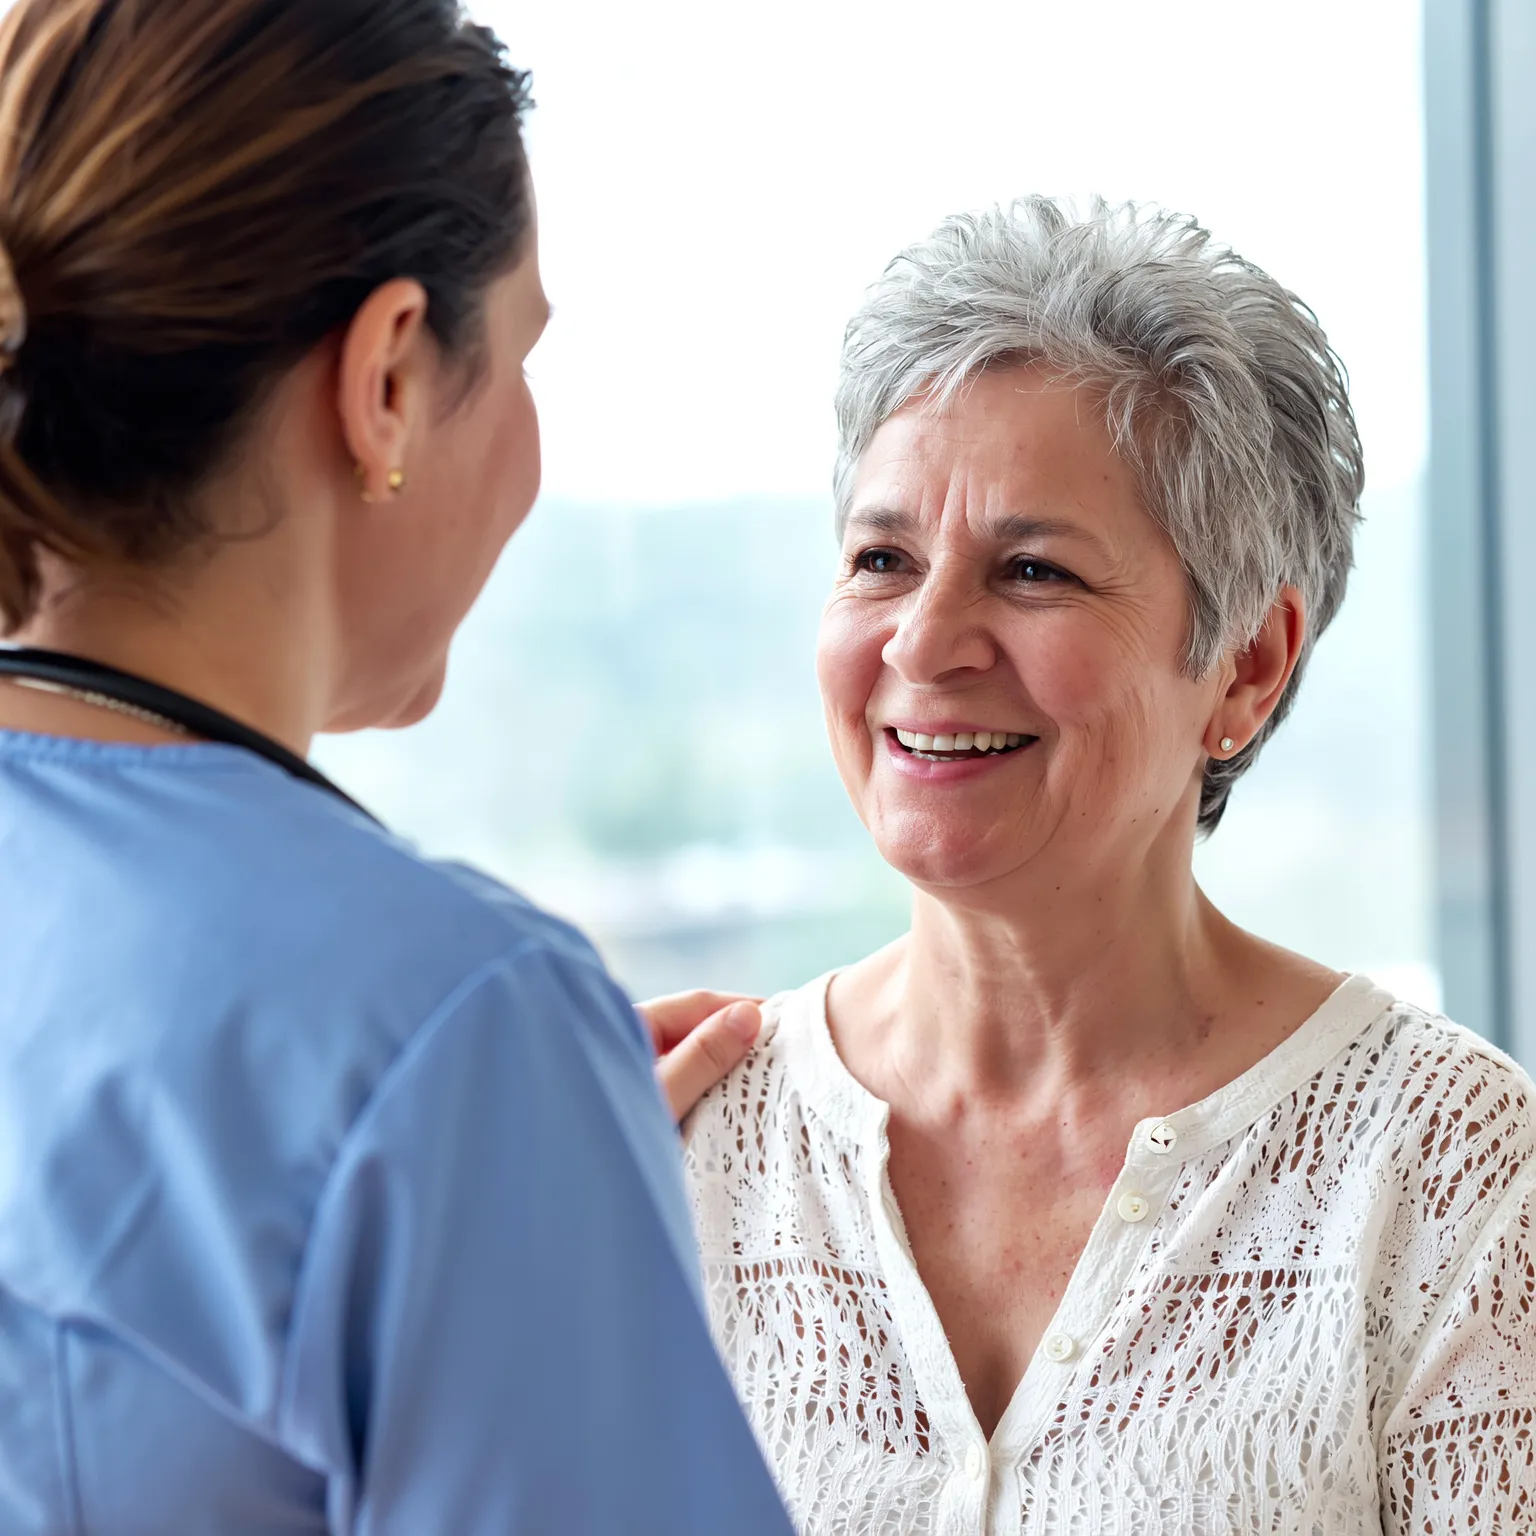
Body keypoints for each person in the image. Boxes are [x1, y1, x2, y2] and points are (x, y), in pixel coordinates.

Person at [0, 1, 792, 1531]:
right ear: (385, 380)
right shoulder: (456, 1025)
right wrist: (483, 1130)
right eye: (524, 353)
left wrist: (489, 1199)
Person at [683, 198, 1536, 1533]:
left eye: (1033, 571)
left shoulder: (1451, 1169)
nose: (923, 643)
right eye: (881, 559)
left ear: (1246, 665)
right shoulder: (679, 1149)